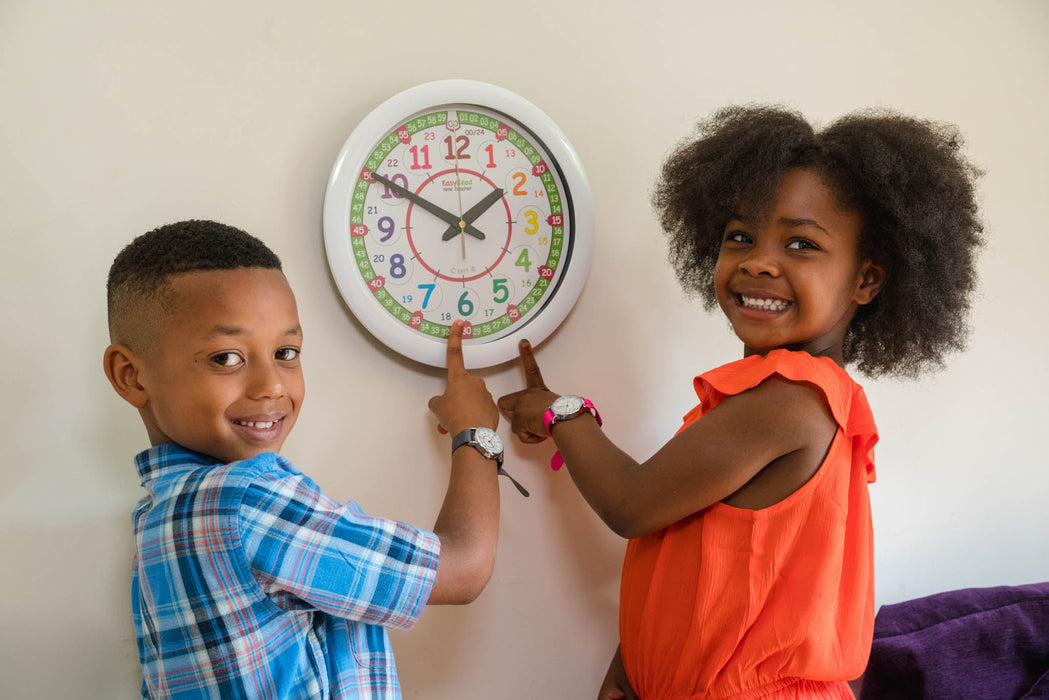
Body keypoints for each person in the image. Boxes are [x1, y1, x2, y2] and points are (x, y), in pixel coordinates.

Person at [498, 106, 983, 700]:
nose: (758, 259)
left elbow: (631, 504)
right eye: (740, 236)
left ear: (866, 280)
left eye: (802, 243)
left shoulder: (789, 400)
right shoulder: (787, 400)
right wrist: (631, 669)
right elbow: (705, 564)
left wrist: (557, 410)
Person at [103, 219, 511, 698]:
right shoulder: (244, 502)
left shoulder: (158, 516)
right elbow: (464, 569)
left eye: (286, 351)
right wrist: (475, 431)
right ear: (131, 375)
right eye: (225, 358)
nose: (272, 385)